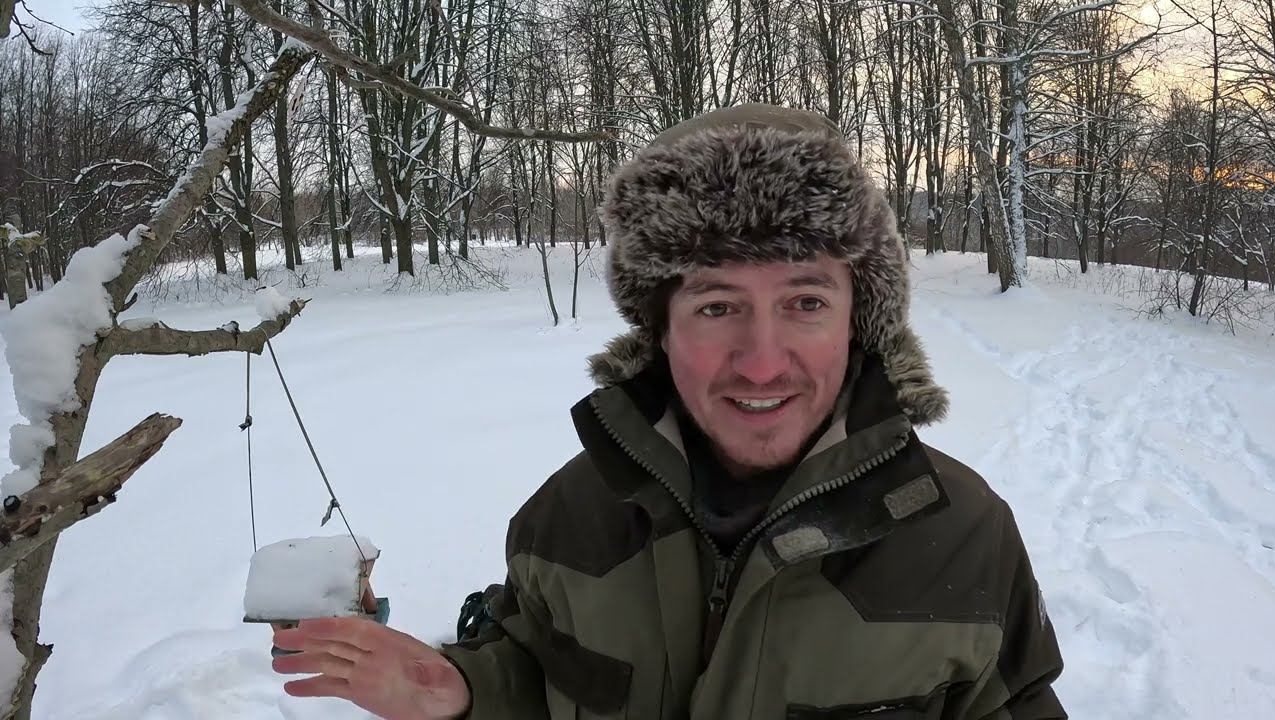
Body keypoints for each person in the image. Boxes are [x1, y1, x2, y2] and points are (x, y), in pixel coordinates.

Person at [271, 104, 1067, 720]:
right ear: (660, 328)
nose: (762, 362)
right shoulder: (569, 521)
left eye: (805, 302)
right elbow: (533, 670)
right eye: (717, 306)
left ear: (858, 319)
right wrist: (465, 689)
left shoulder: (961, 535)